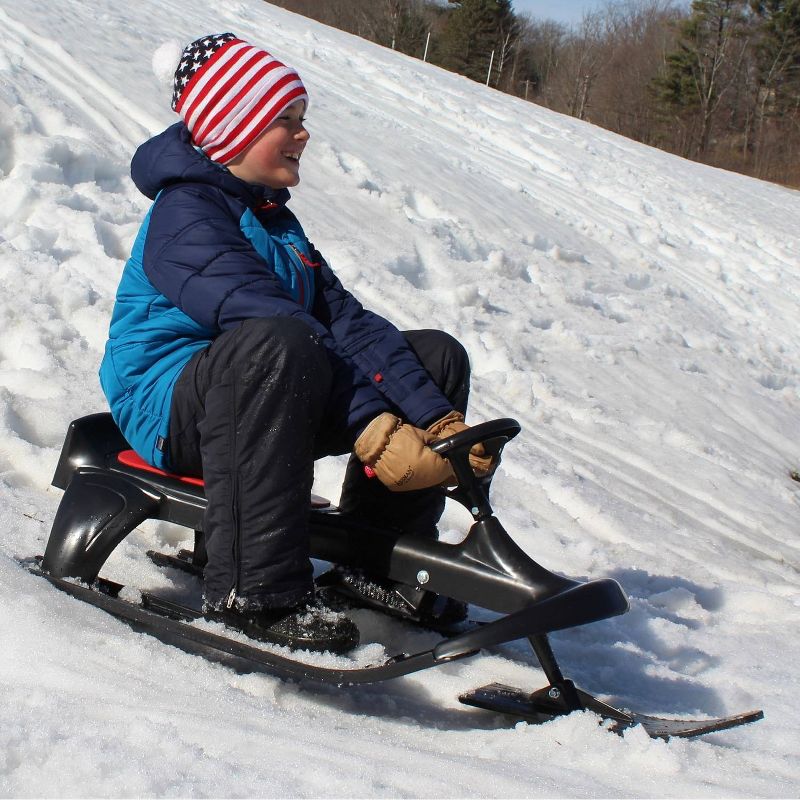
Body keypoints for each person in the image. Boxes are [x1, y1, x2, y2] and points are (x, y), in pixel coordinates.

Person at [99, 33, 489, 654]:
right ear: (234, 127)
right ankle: (255, 591)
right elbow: (273, 321)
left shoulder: (273, 219)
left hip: (270, 391)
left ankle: (375, 565)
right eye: (286, 120)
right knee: (276, 341)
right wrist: (372, 425)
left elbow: (349, 325)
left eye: (302, 120)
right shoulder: (186, 215)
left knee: (432, 353)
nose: (304, 134)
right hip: (174, 408)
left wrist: (433, 418)